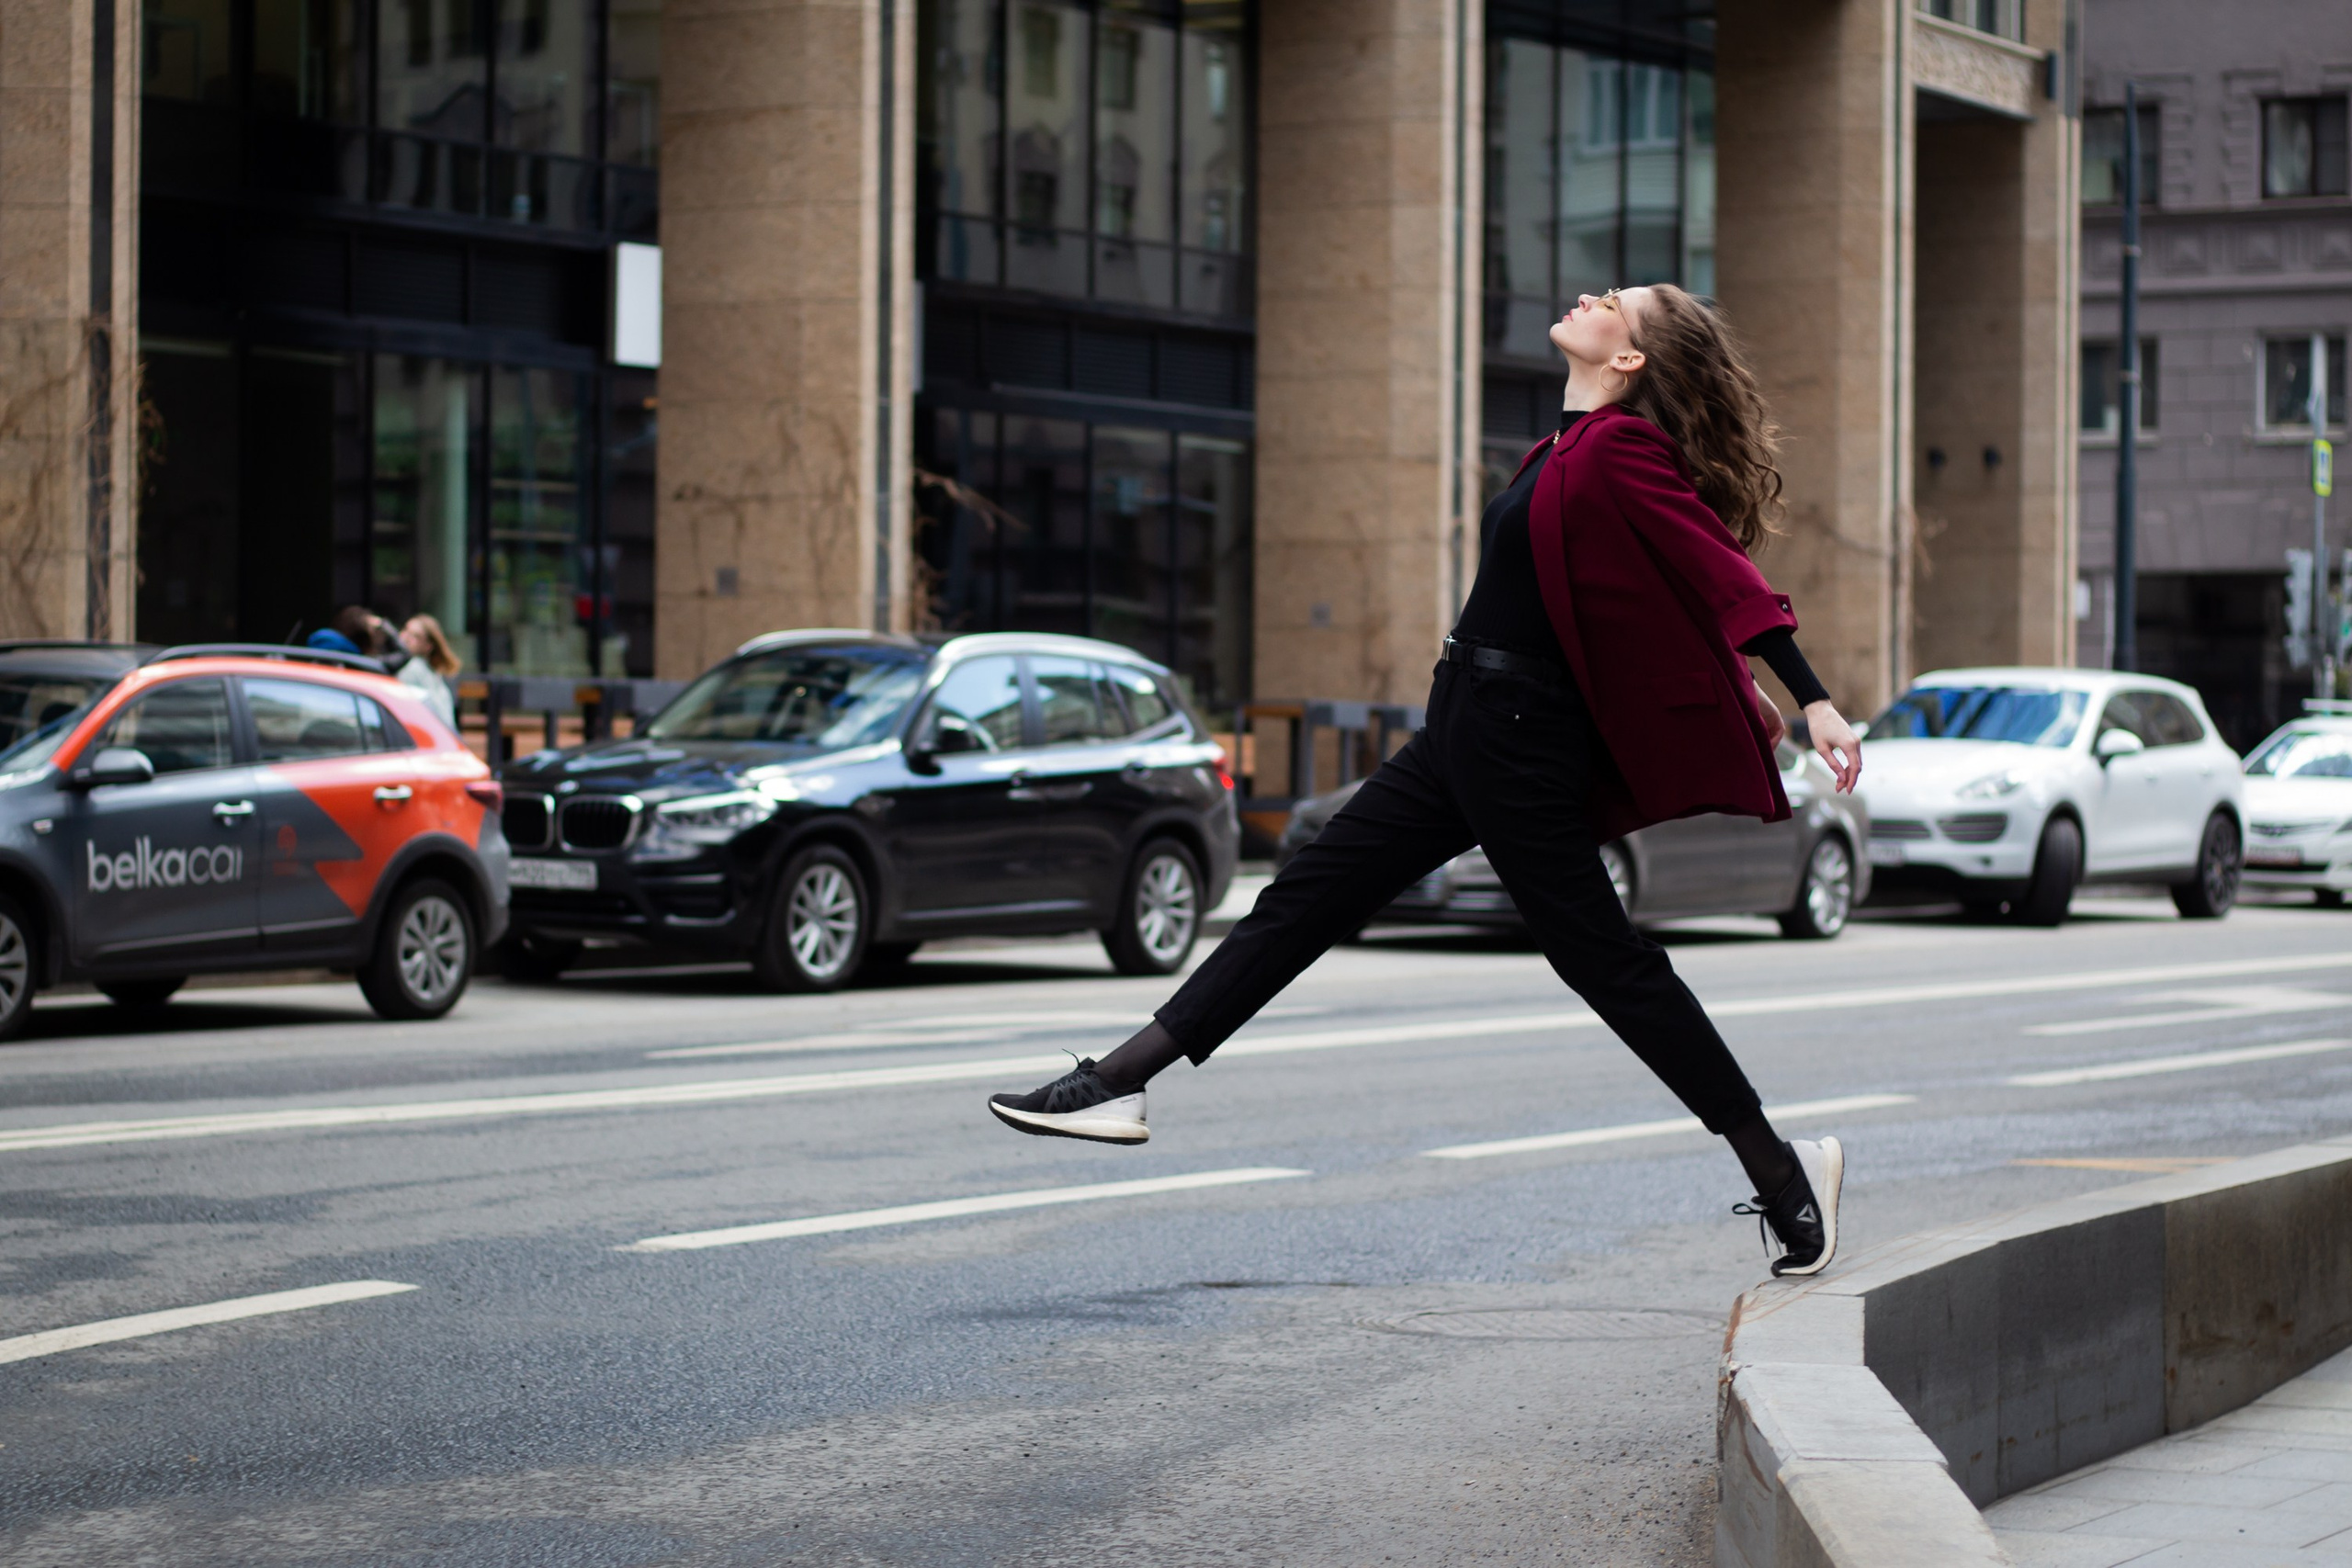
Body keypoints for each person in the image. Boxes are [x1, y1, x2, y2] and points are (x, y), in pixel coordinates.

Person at [986, 284, 1867, 1279]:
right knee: (1307, 893)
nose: (1588, 296)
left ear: (1630, 361)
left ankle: (1785, 1177)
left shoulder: (1620, 450)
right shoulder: (1564, 452)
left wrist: (1811, 697)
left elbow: (1719, 574)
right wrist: (1728, 678)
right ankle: (1121, 1080)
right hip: (1465, 725)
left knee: (1604, 963)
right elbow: (1637, 590)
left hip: (1521, 734)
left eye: (1614, 301)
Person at [394, 614, 461, 730]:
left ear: (428, 646)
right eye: (405, 630)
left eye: (416, 636)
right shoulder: (432, 672)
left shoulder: (413, 669)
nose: (406, 637)